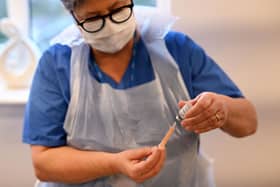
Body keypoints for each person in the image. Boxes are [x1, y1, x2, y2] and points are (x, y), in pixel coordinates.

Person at [22, 0, 258, 186]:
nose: (110, 25)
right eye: (93, 19)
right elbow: (44, 162)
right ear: (74, 17)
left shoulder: (177, 51)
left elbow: (248, 122)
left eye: (117, 9)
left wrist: (222, 110)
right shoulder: (57, 64)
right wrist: (114, 163)